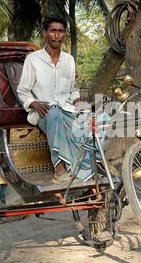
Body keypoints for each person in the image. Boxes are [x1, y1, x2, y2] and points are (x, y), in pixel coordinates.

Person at [17, 16, 90, 183]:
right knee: (55, 114)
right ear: (45, 34)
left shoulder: (69, 61)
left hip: (66, 109)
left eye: (60, 31)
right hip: (43, 112)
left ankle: (84, 167)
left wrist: (79, 104)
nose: (57, 35)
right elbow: (23, 90)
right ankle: (59, 169)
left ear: (64, 34)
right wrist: (34, 103)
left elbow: (72, 91)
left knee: (88, 117)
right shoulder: (33, 60)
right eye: (53, 31)